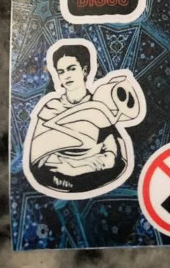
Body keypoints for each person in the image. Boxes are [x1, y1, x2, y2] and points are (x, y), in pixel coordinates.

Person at [27, 46, 127, 194]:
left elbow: (112, 155)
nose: (66, 76)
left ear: (84, 71)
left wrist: (78, 168)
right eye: (61, 72)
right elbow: (38, 156)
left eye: (71, 69)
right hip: (57, 178)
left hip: (96, 176)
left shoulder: (99, 107)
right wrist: (67, 167)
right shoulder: (51, 108)